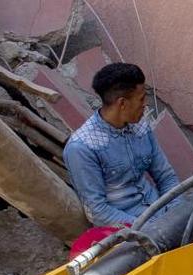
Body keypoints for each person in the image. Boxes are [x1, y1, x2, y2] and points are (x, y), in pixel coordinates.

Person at [64, 62, 181, 241]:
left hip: (162, 215)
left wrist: (177, 212)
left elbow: (166, 176)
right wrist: (151, 230)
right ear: (122, 103)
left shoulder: (141, 126)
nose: (145, 104)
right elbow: (98, 211)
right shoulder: (82, 148)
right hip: (129, 235)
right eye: (141, 99)